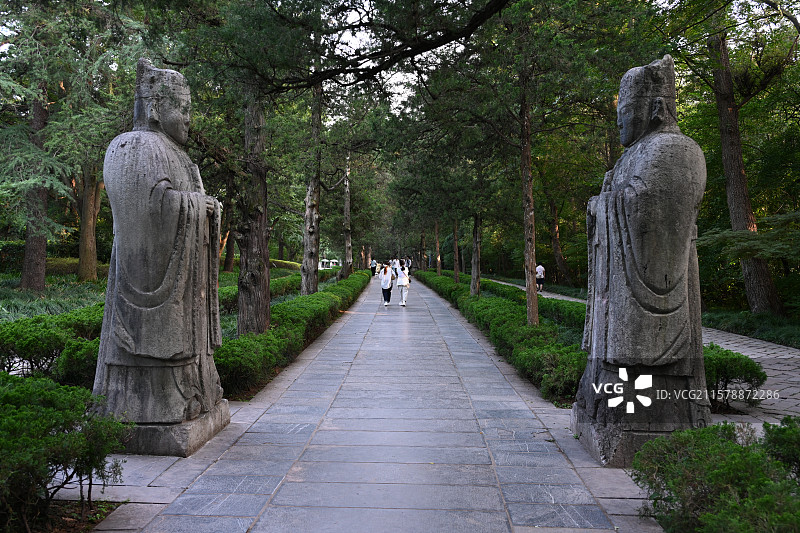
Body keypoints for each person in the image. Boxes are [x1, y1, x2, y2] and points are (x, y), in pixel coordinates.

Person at [572, 55, 711, 466]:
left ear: (652, 109)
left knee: (641, 382)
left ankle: (638, 419)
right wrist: (606, 202)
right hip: (617, 290)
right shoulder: (633, 155)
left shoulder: (675, 150)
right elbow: (624, 200)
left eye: (626, 111)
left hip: (653, 285)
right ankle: (603, 410)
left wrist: (605, 205)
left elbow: (648, 209)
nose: (619, 121)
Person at [94, 59, 226, 431]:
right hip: (150, 286)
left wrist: (206, 209)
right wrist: (198, 205)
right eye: (181, 109)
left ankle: (197, 387)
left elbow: (178, 202)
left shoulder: (184, 158)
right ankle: (155, 400)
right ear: (154, 107)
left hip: (189, 299)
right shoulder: (134, 147)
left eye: (189, 110)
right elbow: (150, 211)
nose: (188, 119)